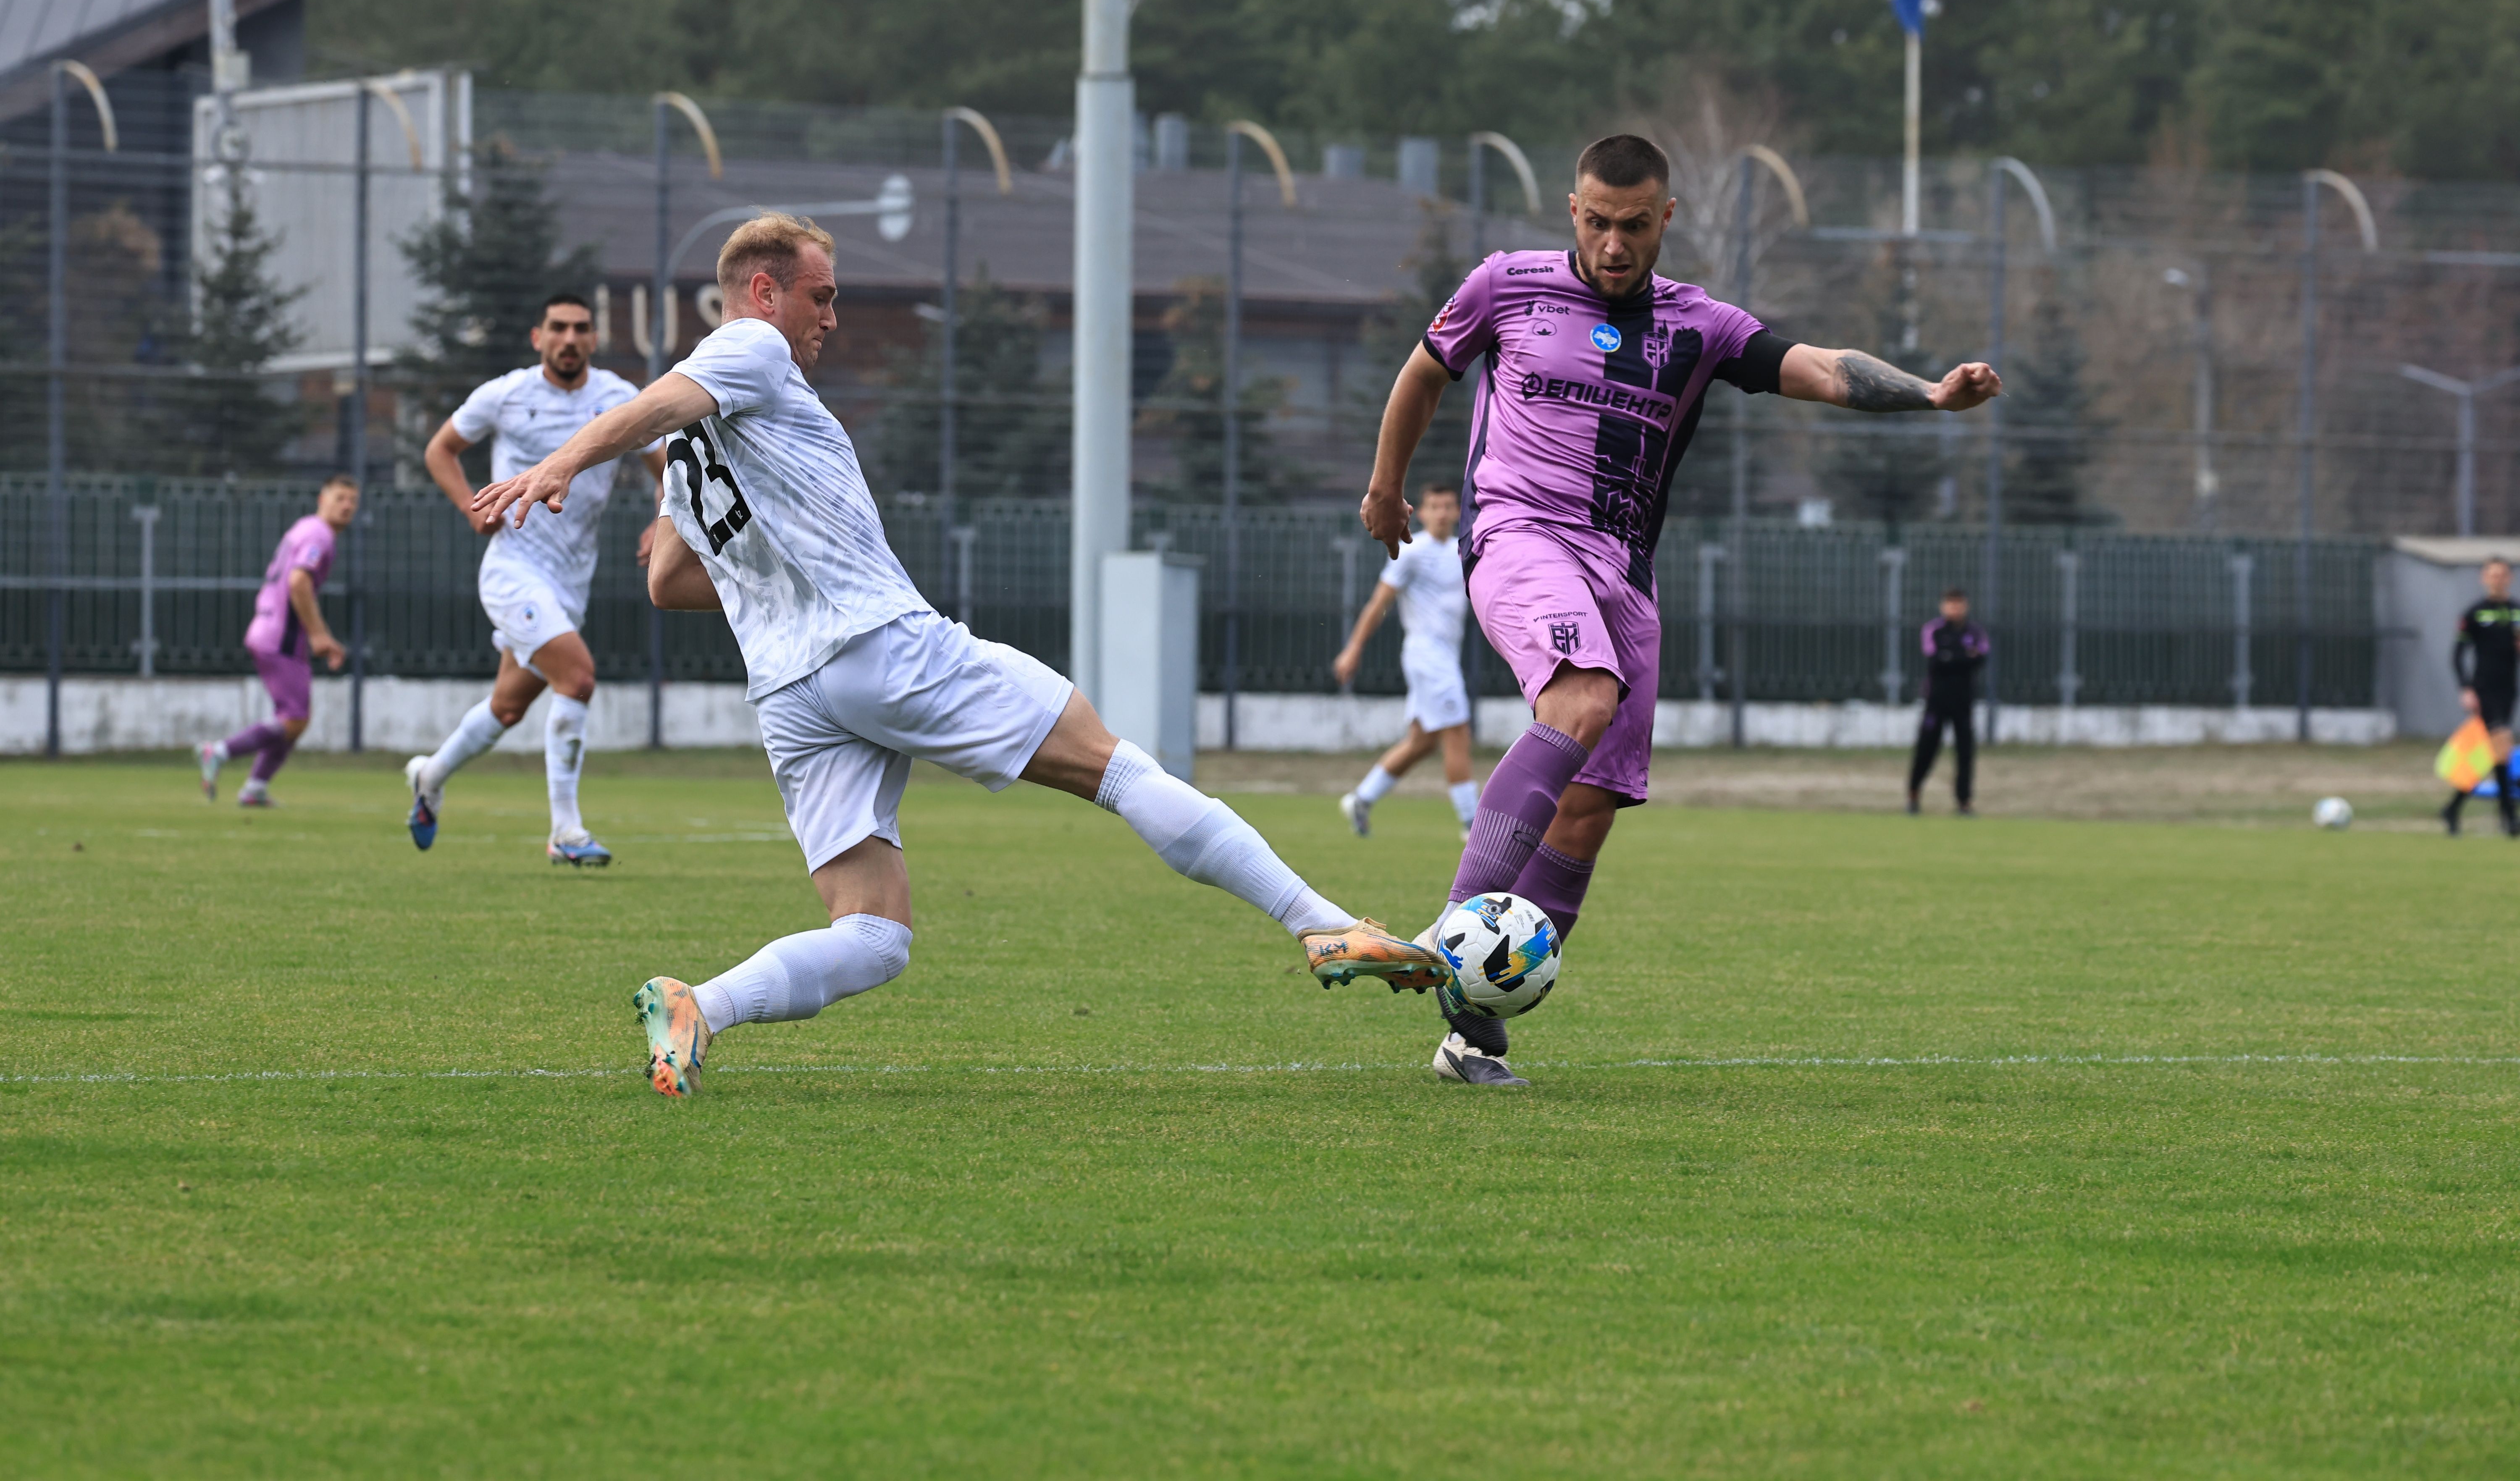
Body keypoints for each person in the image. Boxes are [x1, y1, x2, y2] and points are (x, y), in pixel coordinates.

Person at [468, 214, 1444, 1098]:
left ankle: (700, 1005)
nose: (833, 318)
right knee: (1112, 763)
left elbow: (668, 582)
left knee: (875, 936)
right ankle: (1319, 921)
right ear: (763, 290)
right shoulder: (748, 346)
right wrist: (562, 461)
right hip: (880, 643)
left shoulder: (695, 448)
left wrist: (753, 575)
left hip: (794, 692)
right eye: (823, 294)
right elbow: (644, 415)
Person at [1358, 134, 2000, 1086]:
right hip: (1522, 536)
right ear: (1573, 212)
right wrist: (1385, 488)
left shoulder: (1699, 326)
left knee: (1589, 811)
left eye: (1633, 225)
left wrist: (1930, 395)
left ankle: (1469, 1034)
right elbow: (1422, 372)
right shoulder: (1507, 284)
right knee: (1579, 697)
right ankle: (1454, 931)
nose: (1614, 244)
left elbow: (1820, 366)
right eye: (1598, 222)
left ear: (1666, 220)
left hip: (1624, 572)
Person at [402, 292, 666, 868]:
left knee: (507, 707)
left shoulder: (618, 399)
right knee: (578, 678)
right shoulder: (507, 394)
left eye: (581, 329)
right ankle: (566, 832)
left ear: (594, 339)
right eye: (558, 328)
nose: (569, 338)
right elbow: (441, 450)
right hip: (513, 571)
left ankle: (430, 775)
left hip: (572, 581)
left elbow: (665, 468)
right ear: (538, 338)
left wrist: (662, 523)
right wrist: (471, 509)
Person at [197, 475, 359, 806]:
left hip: (269, 628)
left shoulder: (303, 528)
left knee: (293, 718)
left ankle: (255, 789)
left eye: (352, 502)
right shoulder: (320, 534)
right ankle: (220, 752)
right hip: (281, 635)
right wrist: (319, 635)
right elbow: (299, 581)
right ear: (322, 499)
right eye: (340, 498)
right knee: (295, 718)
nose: (347, 507)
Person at [1332, 481, 1479, 839]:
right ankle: (1472, 824)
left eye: (1448, 506)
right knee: (1458, 732)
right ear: (1423, 513)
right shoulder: (1412, 551)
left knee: (1423, 742)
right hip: (1427, 655)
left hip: (1444, 656)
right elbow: (1379, 603)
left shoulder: (1463, 551)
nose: (1442, 513)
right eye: (1435, 506)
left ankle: (1362, 799)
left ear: (1457, 511)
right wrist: (1354, 648)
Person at [2444, 556, 2520, 836]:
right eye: (2493, 575)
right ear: (2484, 578)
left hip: (2509, 690)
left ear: (2509, 578)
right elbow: (2457, 655)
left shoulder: (2516, 612)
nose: (2498, 580)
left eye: (2503, 575)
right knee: (2502, 745)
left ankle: (2453, 808)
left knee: (2495, 756)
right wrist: (2466, 688)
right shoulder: (2475, 612)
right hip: (2484, 689)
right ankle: (2510, 819)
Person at [1906, 587, 1990, 816]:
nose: (1955, 609)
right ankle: (1913, 795)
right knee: (1926, 748)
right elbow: (1936, 659)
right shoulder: (1934, 630)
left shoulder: (1975, 631)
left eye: (1959, 604)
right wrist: (1963, 656)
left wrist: (1952, 657)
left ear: (1966, 606)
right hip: (1937, 700)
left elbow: (1981, 657)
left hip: (1964, 701)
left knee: (1965, 752)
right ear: (1943, 606)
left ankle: (1964, 802)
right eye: (1950, 604)